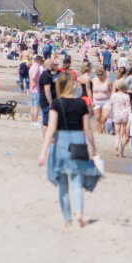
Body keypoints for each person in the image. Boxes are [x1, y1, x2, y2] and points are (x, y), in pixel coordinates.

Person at [37, 72, 102, 228]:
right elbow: (87, 129)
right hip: (78, 143)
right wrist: (94, 149)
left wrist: (43, 152)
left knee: (63, 186)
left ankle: (67, 219)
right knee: (77, 182)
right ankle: (79, 212)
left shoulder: (57, 104)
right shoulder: (81, 104)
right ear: (73, 85)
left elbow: (51, 129)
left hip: (61, 144)